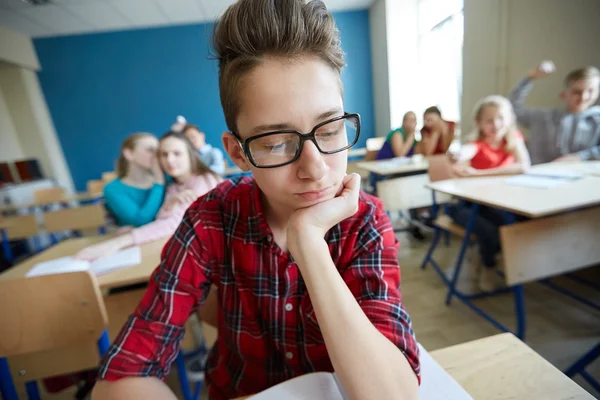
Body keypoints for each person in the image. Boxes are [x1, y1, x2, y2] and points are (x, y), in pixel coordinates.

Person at [92, 1, 420, 399]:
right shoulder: (211, 218)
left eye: (330, 129)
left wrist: (309, 245)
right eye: (276, 142)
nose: (315, 169)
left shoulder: (365, 221)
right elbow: (123, 375)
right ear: (238, 153)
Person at [76, 131, 222, 261]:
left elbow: (174, 222)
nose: (168, 160)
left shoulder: (201, 180)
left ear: (190, 155)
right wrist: (169, 205)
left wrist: (118, 242)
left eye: (176, 154)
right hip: (174, 246)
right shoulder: (172, 185)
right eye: (163, 154)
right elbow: (163, 218)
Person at [448, 95, 531, 292]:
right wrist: (457, 155)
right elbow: (465, 151)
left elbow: (523, 166)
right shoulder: (476, 144)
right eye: (489, 120)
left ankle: (488, 256)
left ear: (509, 119)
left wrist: (480, 173)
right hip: (468, 206)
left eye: (501, 118)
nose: (496, 124)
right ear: (479, 123)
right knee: (489, 230)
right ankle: (488, 266)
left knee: (514, 224)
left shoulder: (514, 139)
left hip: (501, 203)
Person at [509, 61, 600, 164]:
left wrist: (580, 157)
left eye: (591, 91)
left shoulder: (597, 120)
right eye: (577, 92)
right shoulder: (543, 118)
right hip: (539, 175)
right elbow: (512, 109)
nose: (584, 97)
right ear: (564, 94)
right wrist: (531, 77)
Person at [103, 133, 165, 227]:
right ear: (129, 154)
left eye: (158, 151)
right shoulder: (112, 189)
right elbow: (141, 220)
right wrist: (159, 183)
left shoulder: (168, 179)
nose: (156, 156)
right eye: (150, 150)